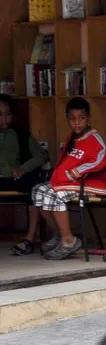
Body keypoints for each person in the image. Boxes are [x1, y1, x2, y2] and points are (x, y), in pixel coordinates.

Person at [15, 97, 106, 260]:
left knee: (53, 194)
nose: (77, 123)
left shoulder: (94, 138)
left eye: (82, 118)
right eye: (72, 119)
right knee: (38, 191)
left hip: (90, 184)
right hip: (71, 183)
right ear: (67, 119)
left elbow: (100, 158)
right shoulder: (72, 137)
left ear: (88, 118)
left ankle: (68, 240)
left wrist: (77, 171)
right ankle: (60, 233)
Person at [0, 95, 48, 254]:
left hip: (14, 178)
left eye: (7, 114)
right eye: (0, 114)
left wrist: (23, 168)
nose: (4, 118)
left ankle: (29, 239)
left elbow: (41, 156)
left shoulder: (21, 134)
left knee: (34, 187)